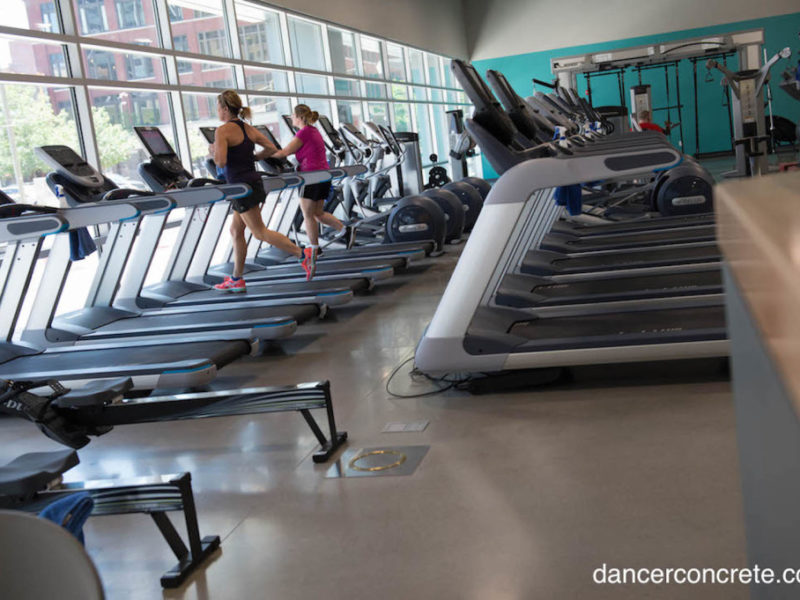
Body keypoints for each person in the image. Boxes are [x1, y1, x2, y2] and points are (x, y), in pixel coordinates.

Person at [209, 90, 314, 290]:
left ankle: (302, 254)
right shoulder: (247, 128)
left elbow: (220, 162)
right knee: (236, 230)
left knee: (259, 232)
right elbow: (271, 148)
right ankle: (237, 279)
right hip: (252, 183)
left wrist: (213, 151)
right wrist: (254, 157)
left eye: (218, 108)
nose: (218, 111)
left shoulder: (222, 131)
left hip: (241, 188)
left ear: (225, 108)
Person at [258, 104, 355, 272]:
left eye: (293, 115)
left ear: (300, 117)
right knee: (318, 213)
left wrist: (262, 154)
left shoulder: (303, 133)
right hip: (322, 176)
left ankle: (315, 249)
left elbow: (283, 153)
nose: (291, 118)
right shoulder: (314, 131)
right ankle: (345, 229)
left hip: (311, 177)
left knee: (308, 214)